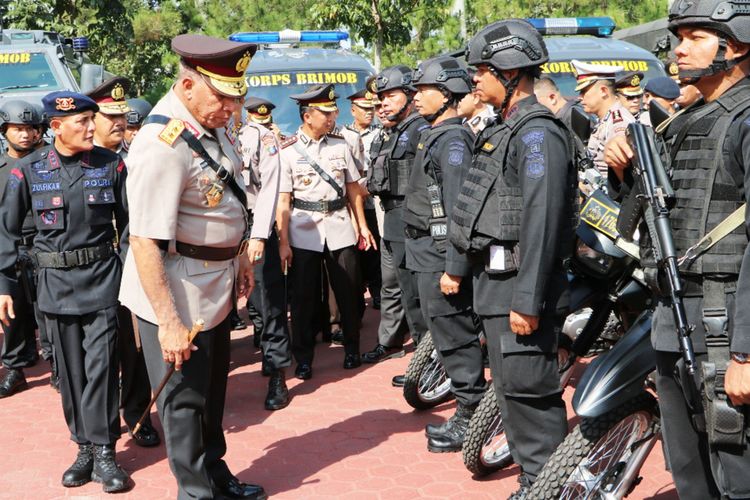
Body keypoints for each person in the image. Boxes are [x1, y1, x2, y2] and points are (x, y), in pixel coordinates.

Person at [605, 1, 750, 497]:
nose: (679, 50)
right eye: (679, 37)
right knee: (689, 468)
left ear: (737, 45)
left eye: (695, 38)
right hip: (674, 317)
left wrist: (746, 354)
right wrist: (622, 168)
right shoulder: (689, 120)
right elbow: (661, 211)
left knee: (736, 471)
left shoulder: (745, 119)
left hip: (725, 326)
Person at [119, 34, 266, 499]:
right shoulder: (162, 143)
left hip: (215, 285)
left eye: (235, 97)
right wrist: (167, 322)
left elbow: (226, 200)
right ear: (187, 86)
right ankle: (194, 491)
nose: (231, 108)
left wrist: (239, 253)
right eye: (222, 96)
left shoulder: (211, 125)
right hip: (176, 292)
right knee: (183, 403)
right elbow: (144, 240)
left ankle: (214, 473)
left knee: (212, 396)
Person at [451, 19, 578, 498]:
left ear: (508, 73)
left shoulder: (536, 134)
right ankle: (534, 480)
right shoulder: (509, 129)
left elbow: (541, 221)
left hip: (523, 290)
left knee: (530, 396)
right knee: (510, 392)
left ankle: (545, 483)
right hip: (498, 285)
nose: (475, 79)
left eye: (482, 70)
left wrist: (527, 299)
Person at [0, 91, 131, 492]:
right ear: (56, 127)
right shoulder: (29, 170)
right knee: (70, 373)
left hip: (103, 281)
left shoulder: (111, 165)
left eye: (94, 120)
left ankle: (106, 450)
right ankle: (84, 449)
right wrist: (4, 284)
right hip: (54, 287)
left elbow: (128, 227)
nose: (93, 128)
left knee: (103, 368)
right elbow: (6, 230)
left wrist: (128, 277)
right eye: (83, 123)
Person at [404, 55, 486, 452]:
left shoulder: (453, 141)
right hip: (425, 250)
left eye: (425, 91)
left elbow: (459, 210)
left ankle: (471, 415)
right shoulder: (435, 133)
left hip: (441, 256)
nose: (416, 97)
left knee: (455, 336)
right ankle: (466, 407)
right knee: (443, 333)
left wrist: (454, 268)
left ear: (448, 93)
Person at [276, 83, 376, 380]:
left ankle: (352, 349)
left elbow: (354, 190)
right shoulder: (288, 151)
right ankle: (304, 358)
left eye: (333, 113)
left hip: (340, 224)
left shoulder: (341, 145)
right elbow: (284, 200)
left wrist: (362, 225)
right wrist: (283, 242)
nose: (332, 118)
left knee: (349, 291)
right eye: (326, 113)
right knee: (304, 298)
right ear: (308, 116)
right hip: (303, 229)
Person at [87, 77, 161, 448]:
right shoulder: (79, 161)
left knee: (135, 348)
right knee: (100, 352)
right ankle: (98, 429)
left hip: (132, 262)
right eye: (110, 116)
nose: (119, 122)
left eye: (122, 116)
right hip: (91, 271)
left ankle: (138, 413)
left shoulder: (137, 159)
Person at [361, 66, 430, 381]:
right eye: (381, 97)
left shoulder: (420, 131)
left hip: (410, 220)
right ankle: (390, 342)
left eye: (391, 95)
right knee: (391, 286)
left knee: (415, 293)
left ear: (411, 95)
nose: (384, 103)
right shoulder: (391, 131)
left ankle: (426, 361)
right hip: (390, 218)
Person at [237, 95, 291, 411]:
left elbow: (270, 186)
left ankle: (278, 374)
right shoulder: (221, 135)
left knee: (268, 302)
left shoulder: (265, 136)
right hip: (225, 228)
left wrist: (259, 234)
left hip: (256, 225)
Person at [0, 100, 45, 398]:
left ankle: (58, 366)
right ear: (5, 131)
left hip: (44, 247)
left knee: (48, 312)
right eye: (18, 128)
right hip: (10, 250)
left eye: (30, 128)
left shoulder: (49, 163)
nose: (26, 134)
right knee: (11, 315)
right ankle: (15, 368)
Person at [347, 87, 382, 310]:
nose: (370, 113)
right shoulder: (342, 135)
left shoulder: (380, 134)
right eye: (364, 109)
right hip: (353, 203)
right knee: (357, 252)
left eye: (372, 109)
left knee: (377, 252)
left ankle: (379, 293)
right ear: (353, 110)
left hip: (375, 201)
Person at [572, 59, 635, 177]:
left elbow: (623, 168)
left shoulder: (618, 121)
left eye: (583, 91)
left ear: (603, 91)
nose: (580, 97)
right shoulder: (605, 119)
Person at [458, 68, 495, 136]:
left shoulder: (489, 127)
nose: (456, 101)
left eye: (459, 96)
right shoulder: (465, 124)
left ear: (476, 98)